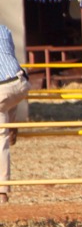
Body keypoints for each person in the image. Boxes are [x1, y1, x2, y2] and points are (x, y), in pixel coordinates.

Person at [0, 24, 30, 204]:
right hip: (20, 82)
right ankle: (12, 124)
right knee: (9, 100)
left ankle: (1, 190)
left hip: (2, 87)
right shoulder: (4, 29)